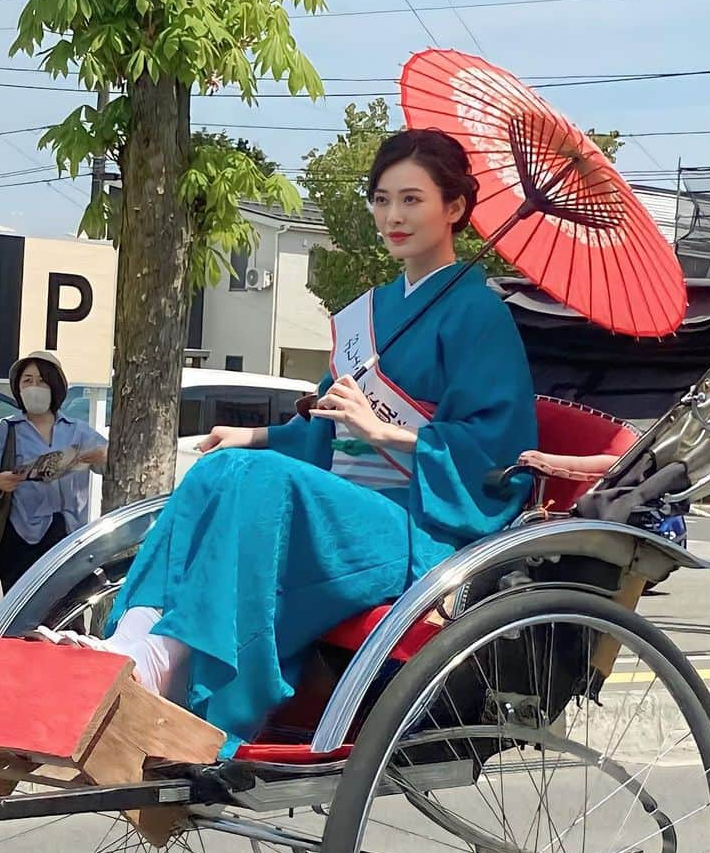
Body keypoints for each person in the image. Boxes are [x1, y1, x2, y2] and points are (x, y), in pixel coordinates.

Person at [75, 129, 537, 755]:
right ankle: (136, 639)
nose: (392, 217)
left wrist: (387, 432)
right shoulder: (370, 310)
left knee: (257, 478)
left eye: (412, 199)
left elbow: (498, 452)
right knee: (223, 469)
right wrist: (255, 433)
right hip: (338, 510)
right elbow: (322, 419)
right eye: (381, 199)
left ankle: (177, 671)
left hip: (412, 524)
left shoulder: (481, 314)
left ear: (454, 208)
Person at [0, 350, 108, 592]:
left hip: (68, 536)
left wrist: (100, 456)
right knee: (21, 615)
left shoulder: (77, 430)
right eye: (27, 381)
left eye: (41, 380)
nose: (34, 387)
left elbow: (109, 462)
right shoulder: (5, 430)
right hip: (19, 536)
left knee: (65, 613)